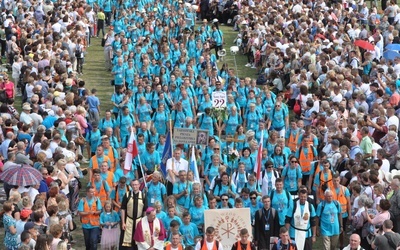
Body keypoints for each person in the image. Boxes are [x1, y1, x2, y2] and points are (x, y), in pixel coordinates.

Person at [120, 179, 148, 250]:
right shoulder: (127, 195)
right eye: (133, 185)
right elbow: (123, 209)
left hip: (139, 220)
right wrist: (123, 222)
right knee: (127, 243)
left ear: (139, 185)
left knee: (138, 241)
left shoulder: (143, 196)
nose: (134, 186)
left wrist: (144, 223)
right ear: (131, 186)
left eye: (136, 184)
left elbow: (145, 210)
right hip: (128, 220)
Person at [78, 186, 102, 250]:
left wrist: (94, 212)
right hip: (86, 225)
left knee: (94, 241)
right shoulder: (82, 201)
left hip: (95, 224)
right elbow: (80, 212)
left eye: (94, 191)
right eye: (91, 192)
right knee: (87, 242)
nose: (93, 193)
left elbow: (99, 210)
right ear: (87, 192)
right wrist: (88, 213)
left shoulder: (97, 200)